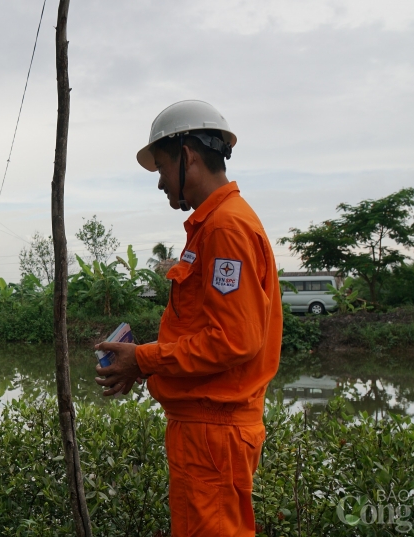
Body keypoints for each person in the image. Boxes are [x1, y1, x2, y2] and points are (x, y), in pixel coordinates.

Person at [95, 100, 283, 536]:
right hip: (204, 430)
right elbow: (209, 332)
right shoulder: (213, 226)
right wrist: (146, 364)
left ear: (189, 156)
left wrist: (144, 359)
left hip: (213, 434)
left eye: (161, 167)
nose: (160, 183)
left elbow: (234, 340)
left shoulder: (224, 229)